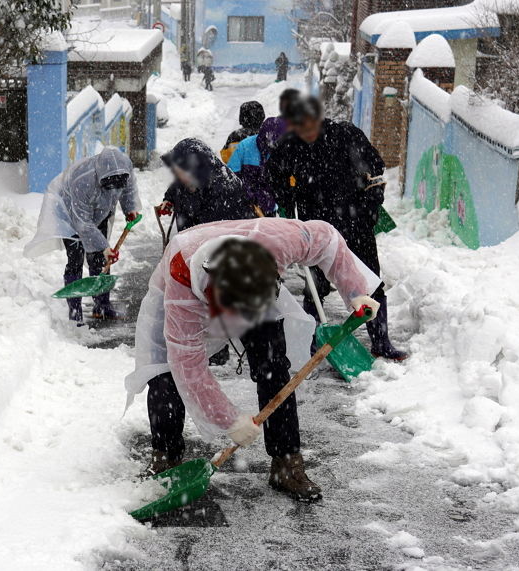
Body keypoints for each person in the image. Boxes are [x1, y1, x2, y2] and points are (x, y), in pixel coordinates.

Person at [124, 217, 382, 500]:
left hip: (252, 289)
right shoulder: (181, 283)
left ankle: (286, 463)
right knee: (165, 374)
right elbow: (188, 367)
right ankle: (166, 460)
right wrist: (229, 419)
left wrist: (356, 293)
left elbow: (328, 239)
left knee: (273, 366)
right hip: (181, 288)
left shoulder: (280, 241)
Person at [266, 96, 408, 361]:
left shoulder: (346, 135)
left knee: (369, 279)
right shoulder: (291, 144)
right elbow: (274, 173)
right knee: (315, 284)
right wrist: (287, 202)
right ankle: (312, 340)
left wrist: (371, 206)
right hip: (317, 226)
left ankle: (380, 340)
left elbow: (376, 170)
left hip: (356, 222)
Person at [157, 138, 256, 366]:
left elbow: (217, 235)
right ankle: (200, 342)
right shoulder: (192, 173)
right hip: (194, 244)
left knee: (215, 292)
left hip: (219, 248)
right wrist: (168, 200)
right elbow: (178, 186)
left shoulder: (225, 188)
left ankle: (222, 348)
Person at [24, 148, 141, 325]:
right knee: (75, 258)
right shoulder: (83, 180)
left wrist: (130, 208)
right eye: (110, 186)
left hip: (99, 210)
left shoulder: (123, 170)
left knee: (100, 260)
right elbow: (82, 223)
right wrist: (104, 247)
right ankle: (75, 310)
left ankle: (102, 306)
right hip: (69, 211)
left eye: (118, 186)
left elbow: (128, 190)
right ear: (101, 177)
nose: (114, 189)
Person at [226, 117, 288, 216]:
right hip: (246, 206)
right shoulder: (245, 146)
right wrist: (248, 195)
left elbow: (282, 179)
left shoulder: (283, 150)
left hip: (270, 207)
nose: (273, 145)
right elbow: (231, 175)